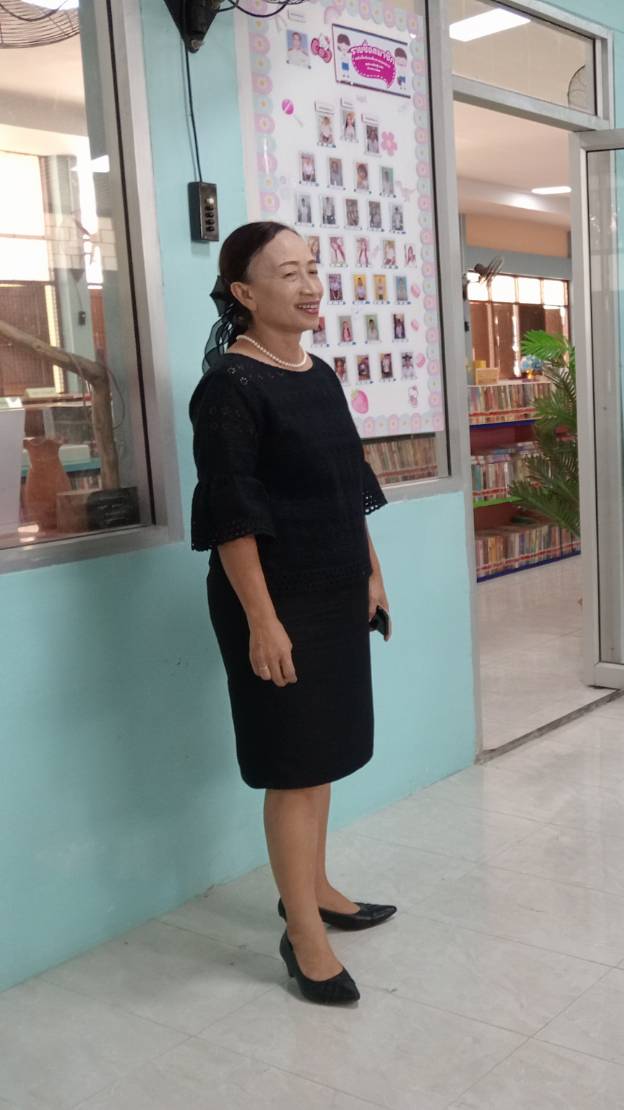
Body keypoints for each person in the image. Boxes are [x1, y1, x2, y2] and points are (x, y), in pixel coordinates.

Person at [189, 221, 396, 1005]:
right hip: (274, 601)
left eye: (312, 268)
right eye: (288, 273)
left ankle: (316, 889)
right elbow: (233, 514)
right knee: (293, 767)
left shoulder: (319, 374)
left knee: (324, 757)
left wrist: (372, 575)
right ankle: (302, 934)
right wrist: (263, 621)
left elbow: (349, 485)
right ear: (244, 293)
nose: (310, 285)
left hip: (336, 589)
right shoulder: (230, 389)